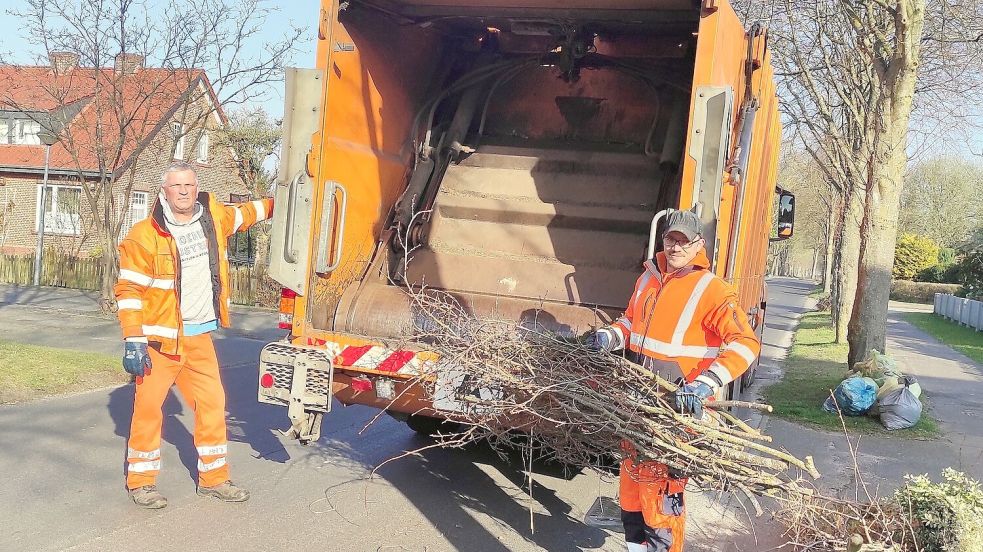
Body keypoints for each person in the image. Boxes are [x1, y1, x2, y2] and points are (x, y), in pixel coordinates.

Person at [586, 208, 760, 552]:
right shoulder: (648, 278)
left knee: (661, 500)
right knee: (632, 492)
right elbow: (631, 323)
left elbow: (746, 343)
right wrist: (609, 336)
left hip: (675, 413)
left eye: (683, 241)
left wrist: (704, 384)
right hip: (636, 405)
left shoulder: (713, 290)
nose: (676, 247)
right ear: (662, 240)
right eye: (670, 239)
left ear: (699, 244)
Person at [114, 161, 274, 509]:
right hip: (160, 342)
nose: (183, 191)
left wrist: (285, 201)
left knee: (213, 404)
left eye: (188, 185)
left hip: (199, 337)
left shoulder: (212, 219)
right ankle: (141, 482)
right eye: (176, 186)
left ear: (196, 186)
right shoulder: (144, 235)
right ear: (164, 192)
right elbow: (128, 290)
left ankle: (214, 479)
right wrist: (133, 339)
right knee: (149, 409)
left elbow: (247, 213)